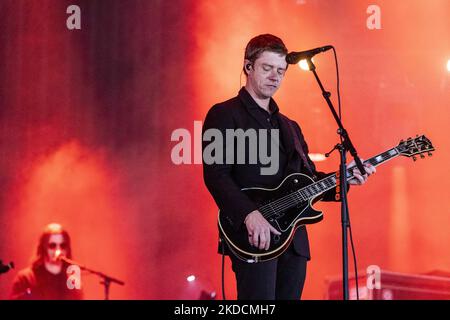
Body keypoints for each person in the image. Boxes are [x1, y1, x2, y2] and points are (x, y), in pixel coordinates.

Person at [202, 34, 376, 300]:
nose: (275, 76)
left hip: (294, 242)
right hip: (253, 234)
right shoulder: (224, 114)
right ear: (248, 67)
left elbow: (306, 183)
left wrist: (344, 179)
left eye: (281, 71)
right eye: (267, 68)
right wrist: (250, 214)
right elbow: (216, 175)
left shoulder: (290, 127)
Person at [10, 223, 83, 300]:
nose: (58, 251)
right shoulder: (26, 279)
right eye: (52, 246)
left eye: (63, 245)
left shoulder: (72, 281)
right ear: (43, 248)